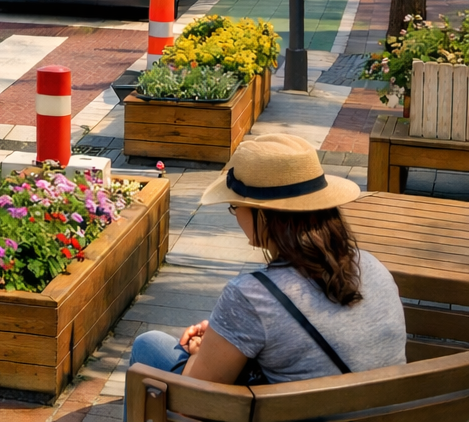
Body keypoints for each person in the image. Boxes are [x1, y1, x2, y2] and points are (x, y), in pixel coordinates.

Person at [125, 134, 405, 389]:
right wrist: (227, 336)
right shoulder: (372, 267)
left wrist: (202, 353)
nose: (234, 215)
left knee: (149, 346)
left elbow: (192, 401)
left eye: (235, 206)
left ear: (264, 214)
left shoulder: (251, 295)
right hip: (382, 412)